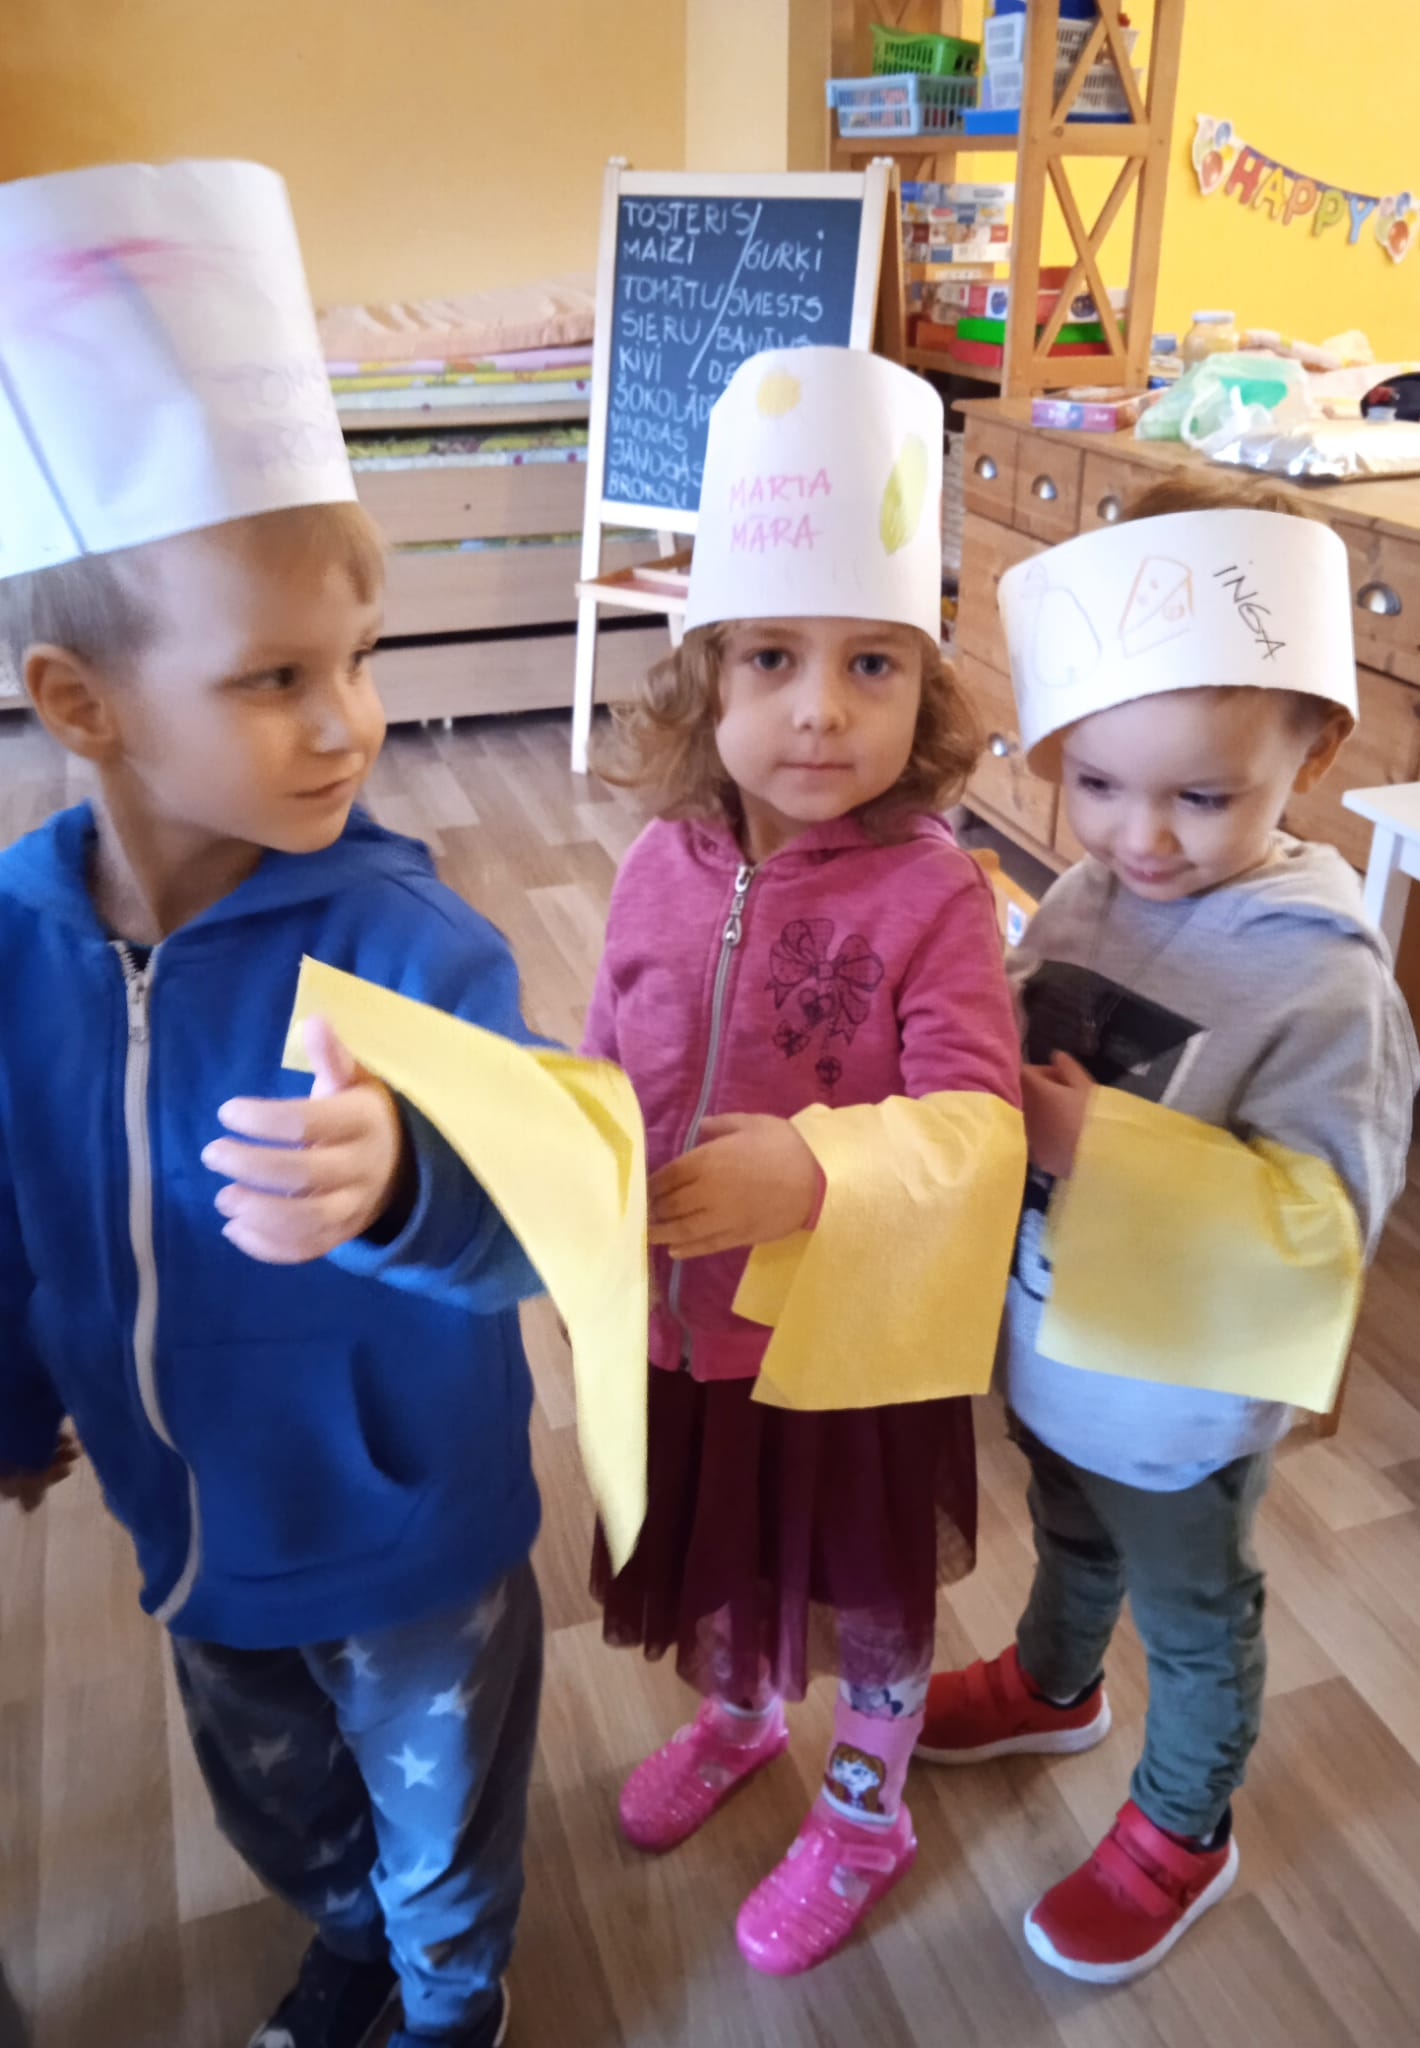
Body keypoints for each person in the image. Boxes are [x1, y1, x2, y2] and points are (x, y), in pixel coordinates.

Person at [0, 159, 545, 2048]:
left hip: (408, 1535)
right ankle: (349, 1940)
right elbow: (10, 1202)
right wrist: (14, 1403)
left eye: (359, 661)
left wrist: (408, 1175)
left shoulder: (411, 943)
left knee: (441, 1820)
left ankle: (451, 2002)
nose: (348, 723)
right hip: (189, 1518)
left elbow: (546, 1216)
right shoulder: (14, 944)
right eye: (274, 678)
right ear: (83, 702)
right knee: (279, 1799)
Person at [918, 475, 1420, 1984]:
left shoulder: (1324, 981)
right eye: (1097, 782)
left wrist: (1100, 1148)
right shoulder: (1089, 893)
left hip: (1188, 1406)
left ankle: (1185, 1827)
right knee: (1069, 1526)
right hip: (1057, 1340)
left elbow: (1328, 1229)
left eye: (1201, 797)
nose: (1139, 836)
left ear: (1310, 752)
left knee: (1197, 1615)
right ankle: (1056, 1684)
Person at [582, 347, 1023, 1974]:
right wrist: (578, 1160)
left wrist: (821, 1178)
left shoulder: (934, 897)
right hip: (685, 1323)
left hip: (845, 1348)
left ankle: (864, 1808)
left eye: (872, 663)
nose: (823, 707)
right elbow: (606, 1045)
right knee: (728, 1553)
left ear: (926, 689)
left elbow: (978, 1129)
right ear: (706, 677)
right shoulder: (656, 858)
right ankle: (743, 1712)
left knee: (871, 1588)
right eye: (773, 656)